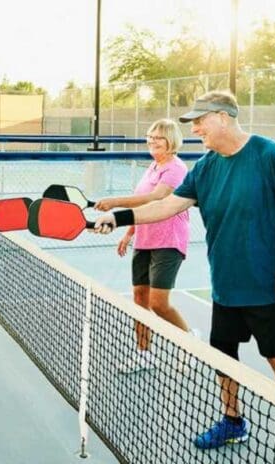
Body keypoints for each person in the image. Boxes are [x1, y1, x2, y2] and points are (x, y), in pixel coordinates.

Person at [93, 91, 275, 464]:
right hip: (225, 287)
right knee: (223, 358)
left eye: (200, 120)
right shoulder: (207, 167)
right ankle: (233, 421)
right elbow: (167, 205)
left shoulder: (268, 154)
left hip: (269, 287)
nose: (195, 128)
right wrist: (119, 218)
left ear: (223, 117)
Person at [94, 119, 195, 372]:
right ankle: (144, 353)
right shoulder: (152, 166)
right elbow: (143, 207)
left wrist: (115, 203)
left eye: (157, 138)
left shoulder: (176, 169)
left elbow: (155, 199)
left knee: (159, 303)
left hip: (169, 240)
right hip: (144, 239)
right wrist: (129, 233)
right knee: (140, 298)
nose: (152, 142)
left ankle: (190, 342)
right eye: (149, 137)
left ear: (171, 140)